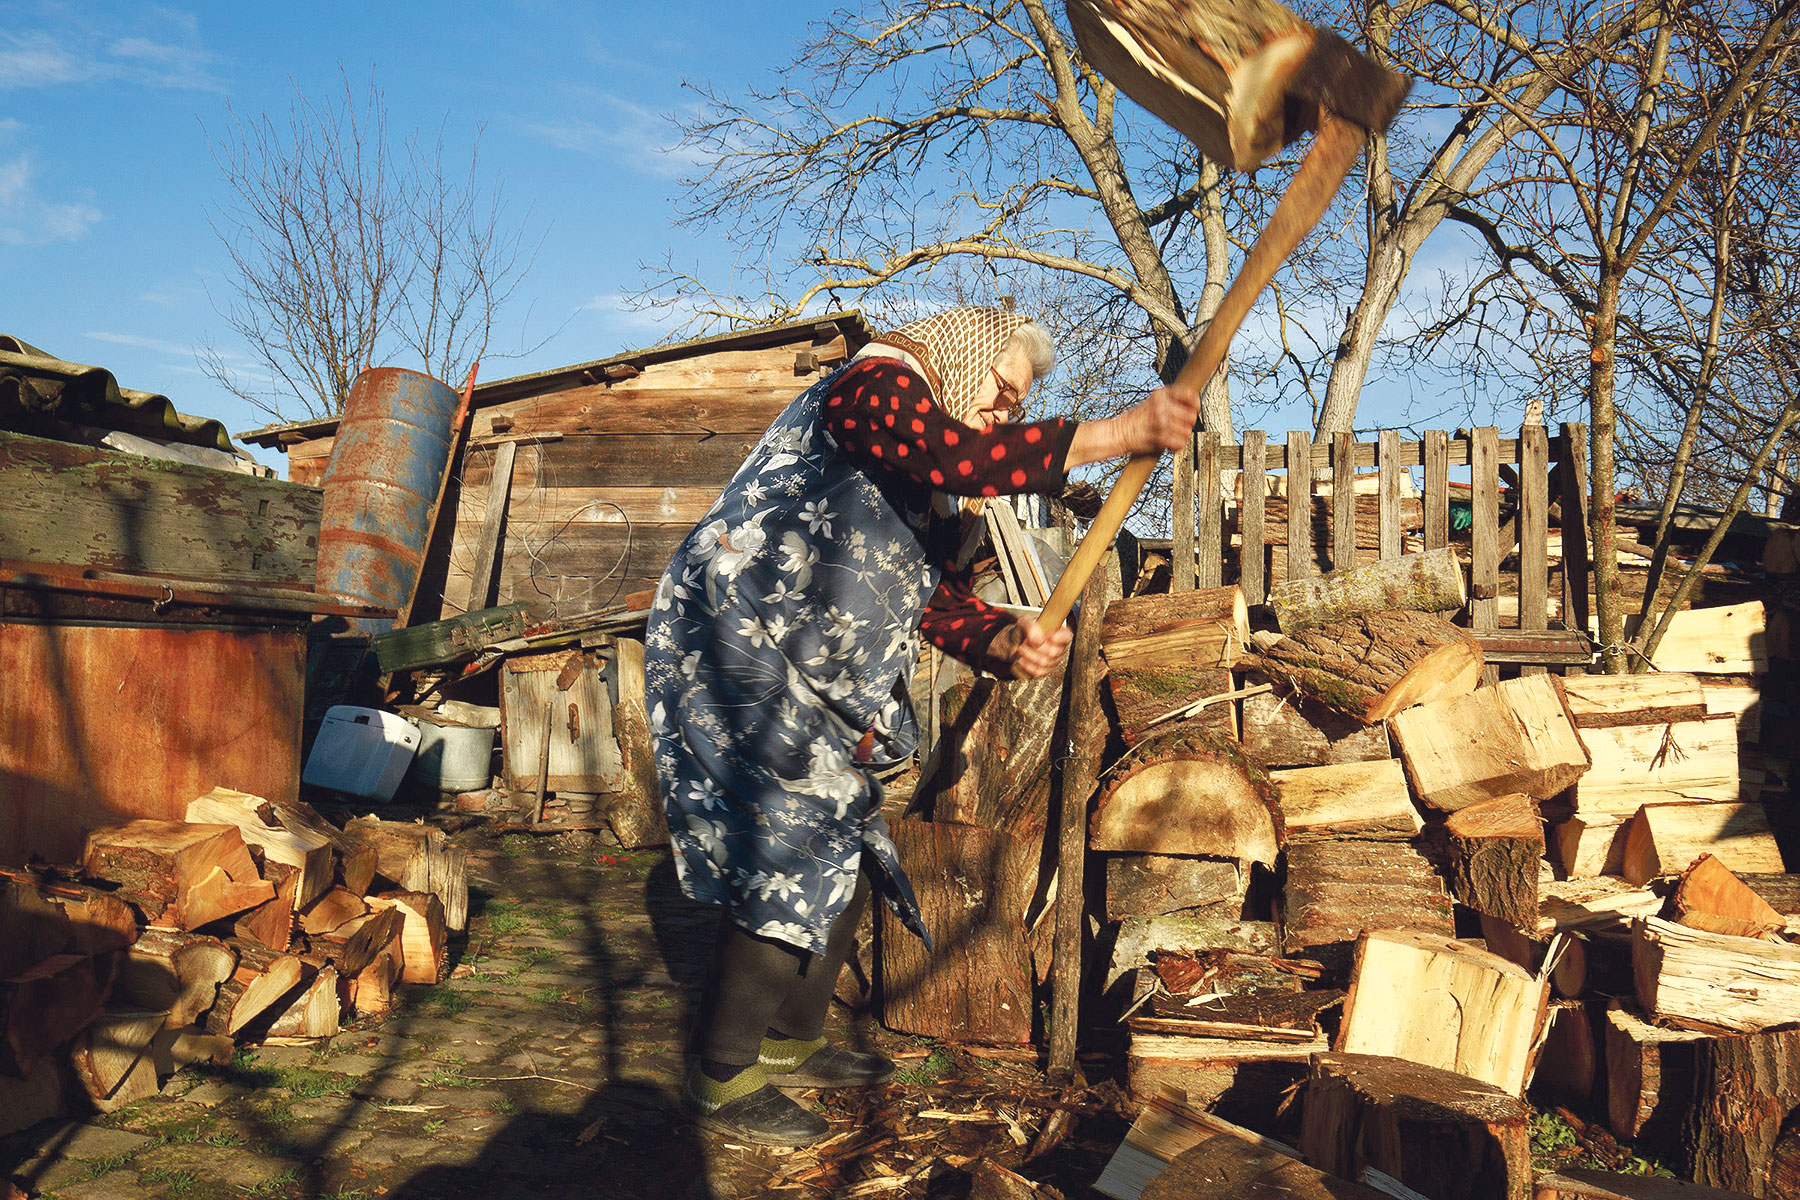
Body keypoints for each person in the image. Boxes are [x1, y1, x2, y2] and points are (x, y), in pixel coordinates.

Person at [644, 307, 1200, 1146]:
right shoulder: (875, 389)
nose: (1004, 413)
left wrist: (1000, 638)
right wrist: (1119, 431)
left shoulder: (939, 479)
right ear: (962, 356)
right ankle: (722, 1075)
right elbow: (951, 451)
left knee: (848, 829)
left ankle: (795, 1044)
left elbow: (927, 597)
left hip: (812, 666)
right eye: (1001, 392)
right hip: (737, 635)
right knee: (796, 835)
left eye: (1016, 407)